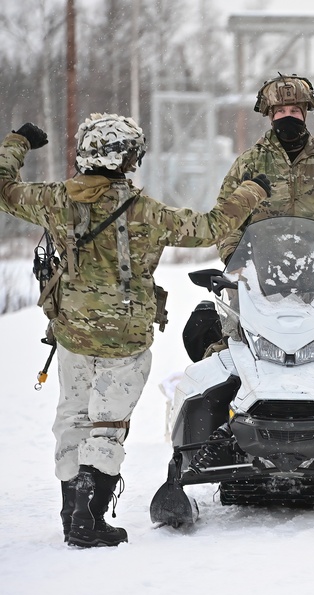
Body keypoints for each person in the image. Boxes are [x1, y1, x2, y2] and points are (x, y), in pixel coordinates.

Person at [0, 115, 270, 548]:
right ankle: (90, 521)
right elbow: (213, 227)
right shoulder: (149, 213)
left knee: (72, 416)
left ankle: (72, 515)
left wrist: (18, 142)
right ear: (131, 158)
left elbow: (3, 187)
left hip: (72, 334)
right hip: (125, 339)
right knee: (107, 423)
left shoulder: (52, 201)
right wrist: (252, 190)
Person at [216, 73, 314, 270]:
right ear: (271, 115)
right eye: (281, 111)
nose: (288, 116)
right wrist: (234, 256)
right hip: (258, 272)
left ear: (304, 114)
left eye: (295, 110)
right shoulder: (249, 163)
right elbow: (227, 215)